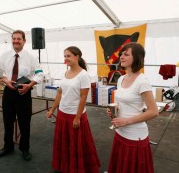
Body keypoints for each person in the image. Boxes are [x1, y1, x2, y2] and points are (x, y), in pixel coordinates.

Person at [46, 46, 101, 173]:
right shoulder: (64, 73)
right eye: (64, 56)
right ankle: (65, 166)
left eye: (68, 56)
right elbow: (60, 92)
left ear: (77, 57)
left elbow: (83, 98)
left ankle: (78, 168)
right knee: (65, 144)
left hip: (75, 116)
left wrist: (77, 117)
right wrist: (52, 109)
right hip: (62, 114)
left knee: (78, 145)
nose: (66, 58)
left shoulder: (84, 75)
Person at [106, 42, 159, 173]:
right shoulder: (121, 78)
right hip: (120, 132)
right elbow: (124, 102)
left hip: (135, 136)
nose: (121, 57)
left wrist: (126, 121)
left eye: (126, 54)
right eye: (121, 54)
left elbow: (154, 112)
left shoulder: (142, 81)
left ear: (137, 57)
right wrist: (114, 110)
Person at [0, 30, 43, 161]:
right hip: (8, 92)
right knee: (7, 122)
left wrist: (30, 85)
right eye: (14, 38)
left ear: (24, 41)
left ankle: (25, 148)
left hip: (24, 92)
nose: (16, 41)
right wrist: (5, 81)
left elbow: (39, 73)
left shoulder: (31, 58)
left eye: (19, 39)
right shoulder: (4, 56)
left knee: (24, 123)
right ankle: (8, 146)